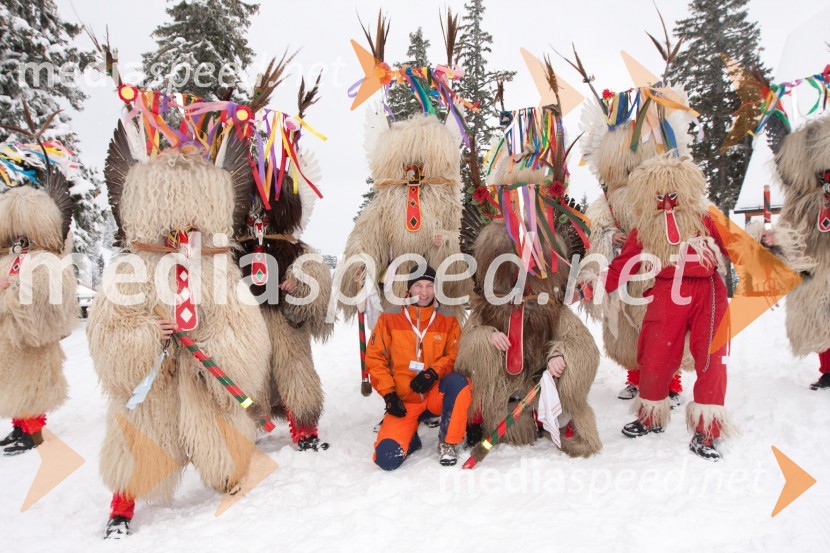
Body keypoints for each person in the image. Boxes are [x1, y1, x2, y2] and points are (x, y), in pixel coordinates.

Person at [603, 155, 734, 461]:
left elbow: (737, 249)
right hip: (666, 290)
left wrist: (766, 260)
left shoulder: (706, 218)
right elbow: (623, 265)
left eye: (671, 196)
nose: (665, 204)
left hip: (708, 294)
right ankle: (651, 417)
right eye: (658, 197)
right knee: (655, 354)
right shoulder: (645, 227)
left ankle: (707, 430)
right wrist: (594, 284)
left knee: (711, 358)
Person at [366, 266, 468, 468]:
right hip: (404, 401)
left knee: (460, 383)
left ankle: (448, 442)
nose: (424, 292)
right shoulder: (389, 318)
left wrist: (433, 373)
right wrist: (389, 395)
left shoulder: (448, 319)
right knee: (387, 459)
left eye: (430, 286)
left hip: (434, 395)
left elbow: (454, 355)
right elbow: (375, 358)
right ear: (408, 289)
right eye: (418, 286)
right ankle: (410, 439)